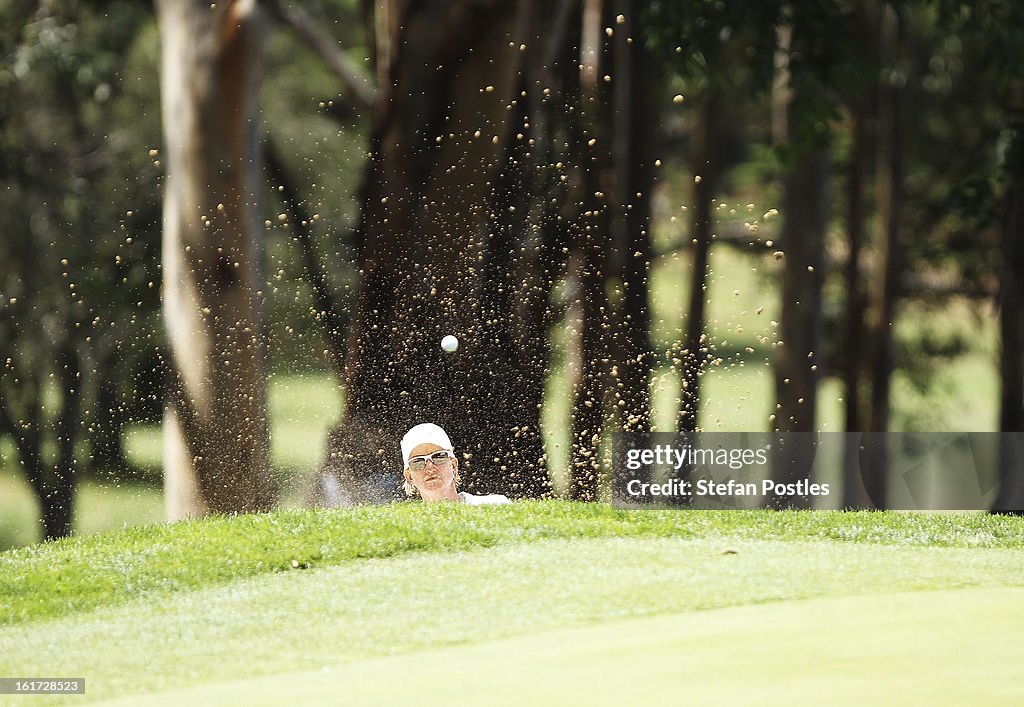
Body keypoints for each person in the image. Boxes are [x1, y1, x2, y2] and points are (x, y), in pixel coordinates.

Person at [401, 423, 511, 505]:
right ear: (409, 476)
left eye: (439, 457)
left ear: (453, 465)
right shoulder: (405, 528)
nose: (430, 468)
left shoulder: (495, 505)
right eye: (418, 462)